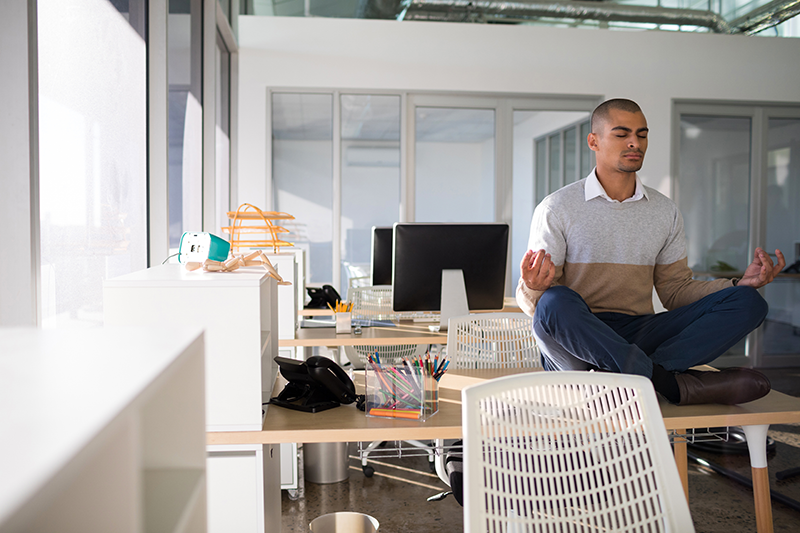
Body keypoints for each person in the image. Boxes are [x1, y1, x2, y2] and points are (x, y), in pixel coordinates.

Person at [516, 98, 786, 406]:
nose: (635, 142)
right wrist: (533, 288)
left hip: (639, 332)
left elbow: (675, 291)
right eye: (621, 134)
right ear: (594, 141)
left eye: (641, 134)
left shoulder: (664, 211)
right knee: (553, 301)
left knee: (749, 302)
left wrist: (739, 285)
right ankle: (664, 382)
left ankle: (634, 378)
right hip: (579, 338)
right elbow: (542, 308)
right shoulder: (557, 207)